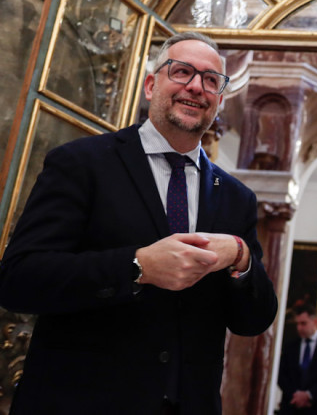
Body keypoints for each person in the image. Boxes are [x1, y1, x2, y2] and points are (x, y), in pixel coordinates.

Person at [0, 32, 278, 415]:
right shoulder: (82, 164)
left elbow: (253, 320)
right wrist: (137, 267)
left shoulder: (235, 197)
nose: (196, 87)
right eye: (182, 72)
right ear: (151, 85)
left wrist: (242, 258)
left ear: (220, 99)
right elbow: (19, 281)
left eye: (211, 80)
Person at [277, 304, 317, 414]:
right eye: (297, 324)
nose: (299, 328)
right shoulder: (290, 346)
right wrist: (296, 395)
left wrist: (308, 395)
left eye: (303, 323)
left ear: (315, 322)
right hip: (291, 406)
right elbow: (281, 375)